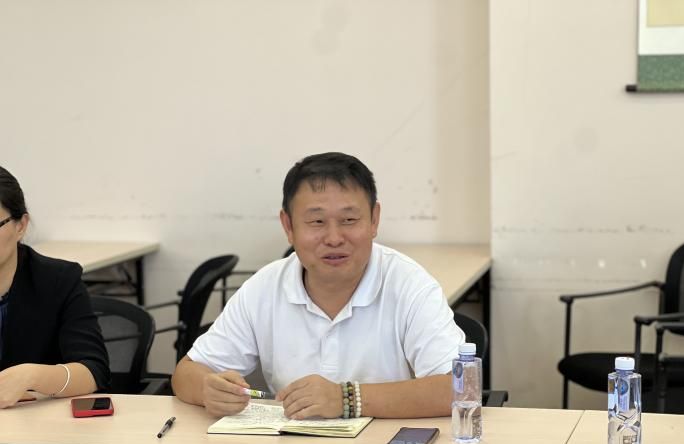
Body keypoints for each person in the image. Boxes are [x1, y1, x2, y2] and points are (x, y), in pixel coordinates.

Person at [172, 152, 464, 419]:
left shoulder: (410, 285)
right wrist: (208, 389)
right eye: (317, 221)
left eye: (349, 220)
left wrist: (348, 399)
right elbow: (186, 373)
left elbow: (460, 387)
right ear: (288, 226)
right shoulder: (264, 287)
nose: (334, 238)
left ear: (374, 220)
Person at [0, 166, 110, 407]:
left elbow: (93, 371)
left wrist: (32, 376)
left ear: (20, 226)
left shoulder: (58, 280)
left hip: (34, 422)